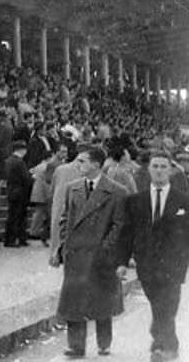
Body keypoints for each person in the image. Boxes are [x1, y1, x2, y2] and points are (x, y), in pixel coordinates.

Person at [55, 147, 127, 358]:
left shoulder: (117, 191)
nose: (78, 165)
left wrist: (106, 248)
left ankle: (104, 343)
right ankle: (76, 346)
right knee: (74, 302)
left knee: (102, 300)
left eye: (82, 161)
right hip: (76, 254)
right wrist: (65, 243)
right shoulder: (72, 188)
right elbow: (65, 218)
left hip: (101, 255)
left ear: (96, 164)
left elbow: (119, 225)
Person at [117, 152, 189, 362]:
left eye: (163, 167)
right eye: (155, 166)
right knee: (159, 304)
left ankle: (161, 347)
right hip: (146, 263)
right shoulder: (135, 201)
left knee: (168, 303)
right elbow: (126, 233)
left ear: (170, 170)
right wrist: (122, 261)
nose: (159, 170)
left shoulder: (183, 200)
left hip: (174, 264)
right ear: (148, 170)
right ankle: (169, 342)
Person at [3, 140, 32, 247]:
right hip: (20, 191)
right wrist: (31, 178)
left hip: (12, 190)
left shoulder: (9, 160)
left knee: (13, 216)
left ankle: (13, 238)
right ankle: (16, 239)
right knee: (18, 217)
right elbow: (25, 178)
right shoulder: (19, 162)